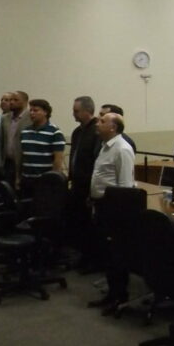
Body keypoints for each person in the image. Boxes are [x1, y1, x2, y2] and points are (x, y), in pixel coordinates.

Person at [88, 112, 137, 310]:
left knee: (116, 255)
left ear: (113, 127)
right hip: (101, 205)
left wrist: (117, 214)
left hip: (114, 209)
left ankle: (120, 296)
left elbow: (124, 185)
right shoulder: (104, 146)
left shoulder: (122, 149)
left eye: (102, 121)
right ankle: (111, 293)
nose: (97, 124)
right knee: (107, 254)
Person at [68, 96, 100, 265]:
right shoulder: (77, 131)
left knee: (89, 224)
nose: (73, 113)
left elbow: (96, 161)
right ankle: (80, 254)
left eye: (76, 111)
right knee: (78, 220)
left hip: (88, 185)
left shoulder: (97, 131)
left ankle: (90, 259)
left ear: (88, 111)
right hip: (76, 183)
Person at [19, 99, 65, 193]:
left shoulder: (55, 132)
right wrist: (18, 177)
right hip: (26, 179)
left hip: (44, 181)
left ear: (45, 112)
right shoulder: (25, 131)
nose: (32, 113)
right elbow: (21, 156)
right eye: (30, 110)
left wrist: (52, 181)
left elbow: (58, 161)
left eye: (35, 110)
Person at [0, 90, 31, 186]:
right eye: (11, 100)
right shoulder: (5, 118)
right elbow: (1, 141)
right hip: (7, 163)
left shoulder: (31, 118)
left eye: (16, 100)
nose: (12, 102)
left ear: (25, 102)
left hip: (23, 163)